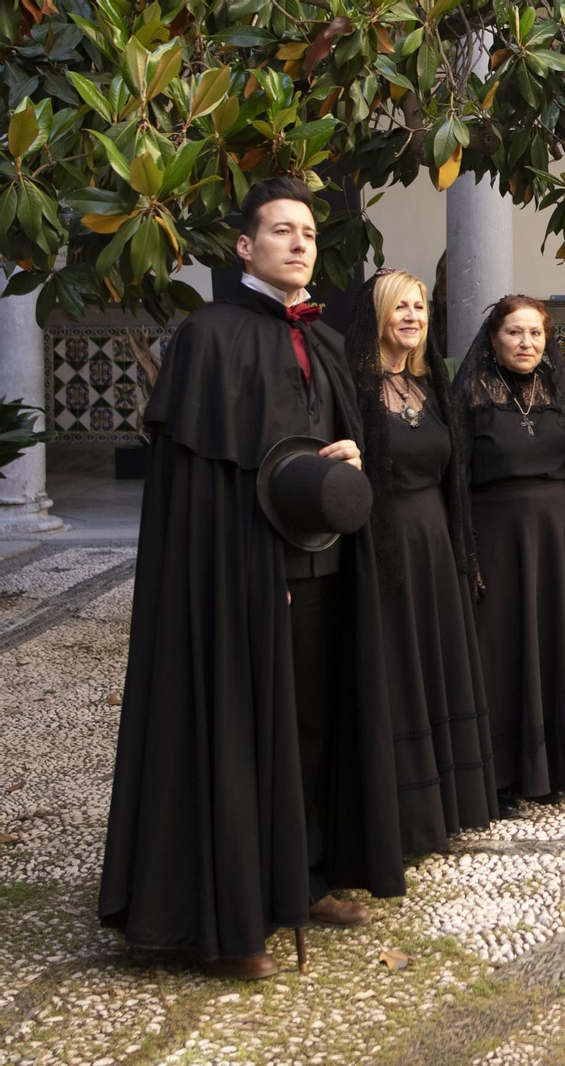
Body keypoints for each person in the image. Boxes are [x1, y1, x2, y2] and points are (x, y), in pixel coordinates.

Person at [99, 176, 404, 980]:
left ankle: (298, 880)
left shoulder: (330, 339)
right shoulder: (210, 336)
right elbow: (202, 482)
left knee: (309, 726)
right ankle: (227, 917)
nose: (300, 243)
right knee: (238, 728)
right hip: (237, 570)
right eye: (281, 231)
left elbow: (341, 440)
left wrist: (347, 455)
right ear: (245, 247)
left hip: (324, 561)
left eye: (307, 232)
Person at [345, 268, 499, 846]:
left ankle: (448, 805)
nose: (412, 316)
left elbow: (453, 478)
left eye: (420, 307)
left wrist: (465, 553)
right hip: (387, 548)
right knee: (399, 670)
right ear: (377, 315)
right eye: (399, 306)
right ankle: (404, 816)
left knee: (440, 666)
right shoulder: (354, 389)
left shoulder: (432, 387)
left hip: (437, 545)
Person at [454, 296, 565, 811]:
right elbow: (453, 476)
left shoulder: (561, 394)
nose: (526, 344)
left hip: (556, 538)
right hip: (497, 537)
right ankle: (499, 775)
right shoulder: (472, 395)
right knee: (499, 648)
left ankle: (557, 766)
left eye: (535, 335)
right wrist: (466, 550)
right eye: (515, 334)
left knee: (552, 642)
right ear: (494, 339)